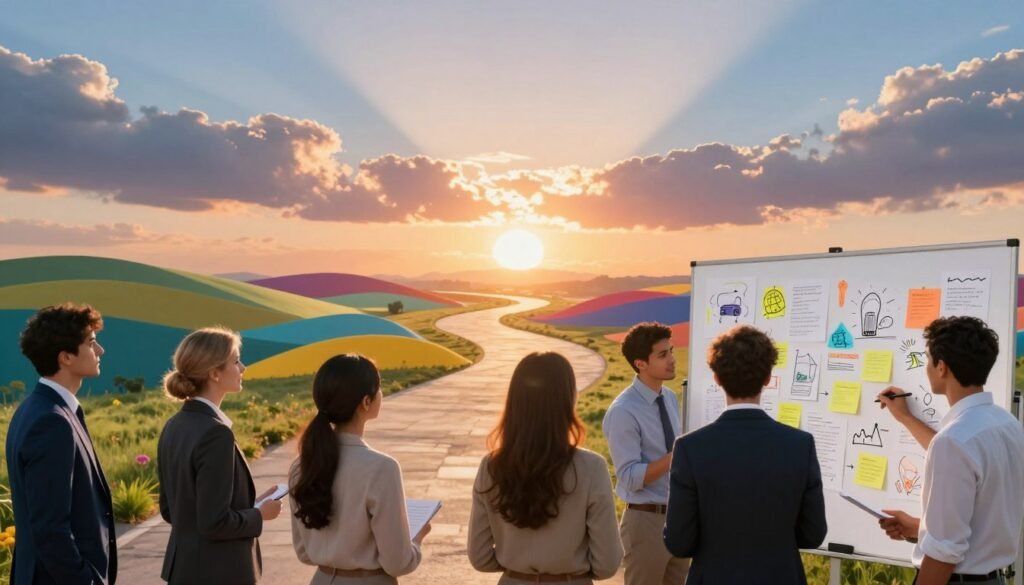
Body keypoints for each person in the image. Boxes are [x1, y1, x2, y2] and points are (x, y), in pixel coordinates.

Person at [663, 325, 826, 584]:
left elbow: (679, 542)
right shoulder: (800, 445)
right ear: (768, 377)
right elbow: (813, 534)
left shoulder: (690, 448)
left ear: (716, 377)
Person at [876, 316, 1024, 585]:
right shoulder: (1008, 423)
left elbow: (945, 552)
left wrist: (933, 539)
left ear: (941, 367)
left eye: (928, 360)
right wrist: (920, 528)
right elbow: (982, 517)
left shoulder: (953, 442)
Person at [468, 352, 623, 584]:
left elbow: (479, 557)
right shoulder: (591, 468)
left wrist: (518, 565)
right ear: (567, 399)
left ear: (515, 401)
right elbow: (607, 563)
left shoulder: (491, 466)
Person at [157, 327, 282, 585]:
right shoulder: (216, 434)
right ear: (214, 373)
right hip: (218, 573)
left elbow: (173, 510)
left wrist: (250, 504)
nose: (243, 368)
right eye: (236, 361)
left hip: (184, 571)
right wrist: (260, 515)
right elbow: (214, 523)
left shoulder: (174, 425)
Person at [290, 354, 426, 585]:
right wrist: (417, 540)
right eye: (379, 388)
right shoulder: (382, 468)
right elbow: (398, 562)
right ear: (365, 402)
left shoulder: (302, 464)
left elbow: (303, 551)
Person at [6, 303, 117, 585]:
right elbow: (49, 527)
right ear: (66, 357)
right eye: (92, 343)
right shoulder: (51, 421)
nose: (100, 351)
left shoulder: (35, 409)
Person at [602, 322, 688, 585]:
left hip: (679, 517)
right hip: (645, 522)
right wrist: (676, 455)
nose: (672, 359)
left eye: (671, 351)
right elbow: (628, 477)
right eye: (663, 355)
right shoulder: (623, 411)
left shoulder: (671, 398)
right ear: (640, 364)